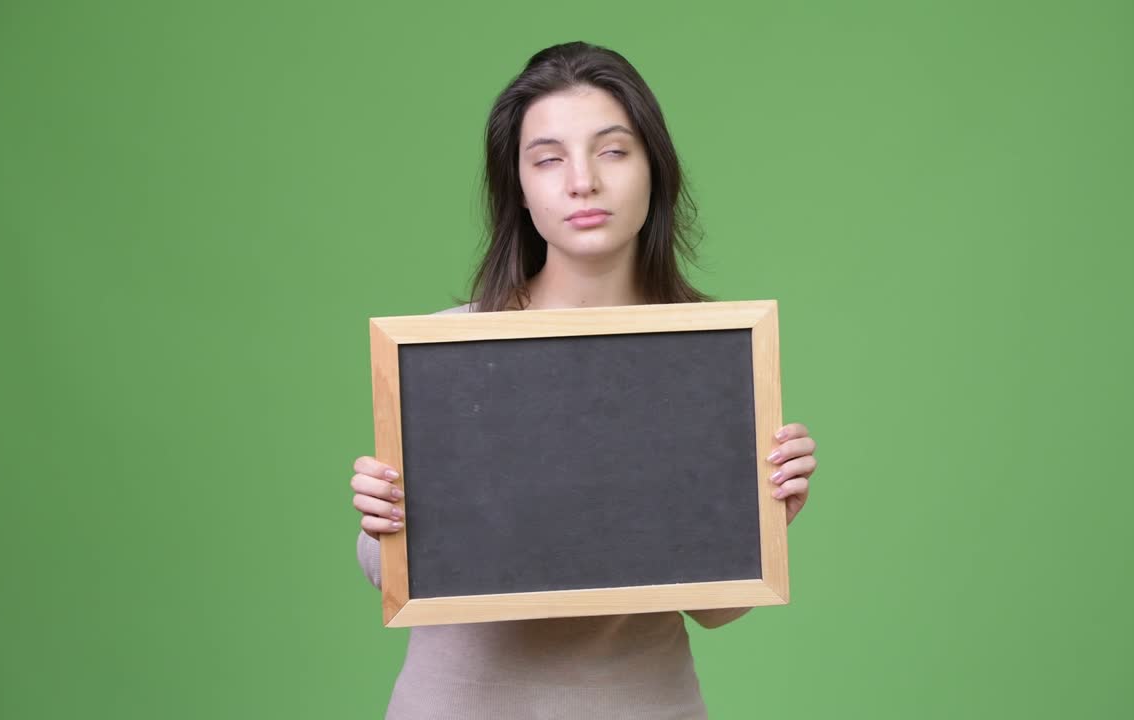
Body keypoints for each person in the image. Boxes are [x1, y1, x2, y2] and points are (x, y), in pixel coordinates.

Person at [351, 41, 819, 719]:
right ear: (520, 186)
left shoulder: (709, 353)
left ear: (653, 168)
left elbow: (717, 607)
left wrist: (767, 518)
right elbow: (391, 571)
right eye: (548, 159)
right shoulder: (445, 350)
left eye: (612, 151)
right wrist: (381, 517)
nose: (582, 182)